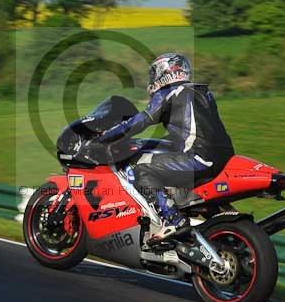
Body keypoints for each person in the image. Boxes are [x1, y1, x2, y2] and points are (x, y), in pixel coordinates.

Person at [96, 53, 234, 240]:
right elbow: (193, 131)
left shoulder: (169, 92)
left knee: (142, 169)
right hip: (225, 156)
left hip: (199, 157)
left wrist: (107, 135)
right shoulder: (202, 92)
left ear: (162, 73)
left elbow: (142, 120)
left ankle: (172, 220)